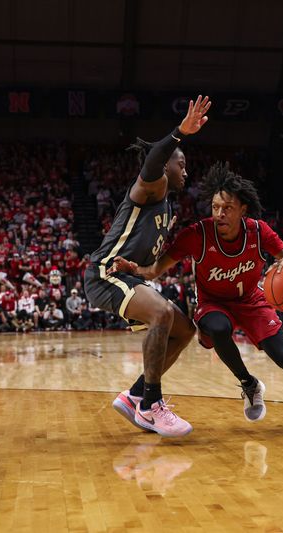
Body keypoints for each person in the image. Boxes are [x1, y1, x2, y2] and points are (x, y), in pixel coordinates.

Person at [110, 163, 283, 428]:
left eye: (227, 208)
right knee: (218, 327)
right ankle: (249, 384)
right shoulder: (197, 235)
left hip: (252, 300)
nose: (219, 214)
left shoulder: (258, 231)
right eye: (215, 208)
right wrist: (133, 268)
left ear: (243, 210)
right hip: (213, 304)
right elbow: (155, 270)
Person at [84, 95, 212, 437]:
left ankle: (136, 394)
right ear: (167, 166)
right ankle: (151, 406)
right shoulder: (151, 189)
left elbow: (150, 267)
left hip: (127, 276)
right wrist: (178, 134)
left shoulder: (166, 207)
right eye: (181, 164)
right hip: (105, 274)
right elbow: (154, 159)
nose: (185, 171)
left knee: (184, 330)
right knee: (161, 313)